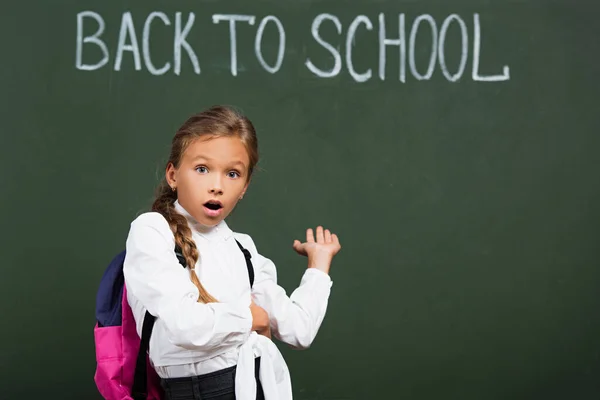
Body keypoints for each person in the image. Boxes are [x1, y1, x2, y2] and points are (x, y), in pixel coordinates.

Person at [123, 105, 341, 400]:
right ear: (173, 175)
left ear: (245, 187)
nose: (217, 186)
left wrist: (318, 266)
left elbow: (298, 330)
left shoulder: (243, 248)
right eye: (202, 169)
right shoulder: (152, 230)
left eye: (233, 174)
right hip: (203, 390)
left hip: (259, 385)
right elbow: (185, 326)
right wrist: (252, 320)